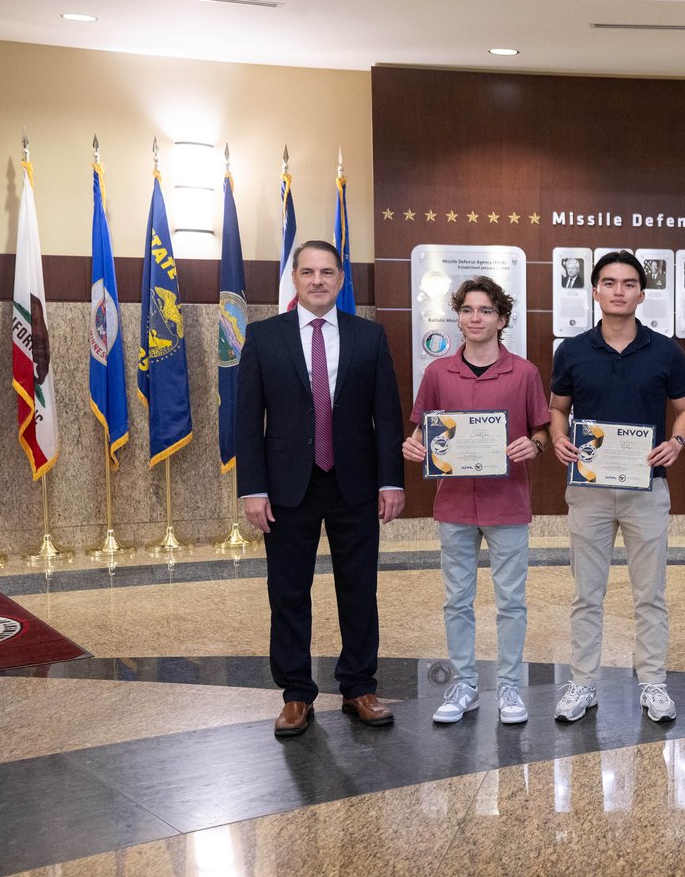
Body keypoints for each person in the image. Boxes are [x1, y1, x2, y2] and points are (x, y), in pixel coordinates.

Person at [236, 239, 405, 737]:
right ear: (295, 278)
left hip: (354, 484)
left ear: (341, 279)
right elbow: (247, 420)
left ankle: (359, 686)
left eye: (327, 272)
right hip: (287, 488)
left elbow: (388, 417)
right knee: (288, 591)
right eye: (308, 272)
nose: (317, 280)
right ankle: (295, 694)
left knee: (360, 589)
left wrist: (390, 479)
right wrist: (253, 488)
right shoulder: (263, 337)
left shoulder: (368, 337)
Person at [549, 250, 685, 723]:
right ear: (594, 291)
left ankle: (652, 683)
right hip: (588, 488)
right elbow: (557, 409)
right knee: (587, 593)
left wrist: (676, 440)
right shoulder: (571, 350)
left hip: (646, 487)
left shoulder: (665, 350)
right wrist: (557, 438)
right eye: (608, 282)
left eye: (628, 283)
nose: (618, 291)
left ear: (641, 294)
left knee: (649, 593)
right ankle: (583, 683)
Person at [402, 277, 551, 725]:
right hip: (454, 506)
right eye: (467, 310)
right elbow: (420, 430)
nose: (475, 318)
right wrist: (412, 446)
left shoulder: (524, 373)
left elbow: (541, 430)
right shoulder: (437, 373)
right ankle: (465, 683)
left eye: (485, 310)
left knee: (511, 600)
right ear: (459, 317)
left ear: (501, 319)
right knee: (457, 600)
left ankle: (508, 685)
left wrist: (536, 445)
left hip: (507, 502)